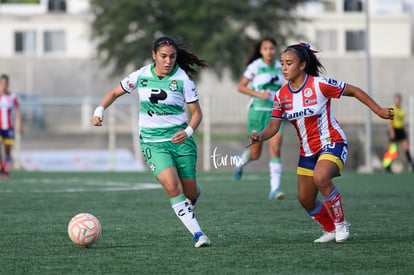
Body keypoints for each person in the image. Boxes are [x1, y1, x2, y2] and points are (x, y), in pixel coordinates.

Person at [248, 42, 394, 243]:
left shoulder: (319, 84)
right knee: (305, 199)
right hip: (307, 151)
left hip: (333, 141)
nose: (283, 68)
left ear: (302, 65)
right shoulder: (281, 95)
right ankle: (329, 229)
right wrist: (259, 136)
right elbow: (273, 127)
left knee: (321, 177)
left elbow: (354, 90)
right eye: (282, 63)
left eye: (289, 63)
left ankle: (341, 224)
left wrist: (379, 111)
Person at [92, 36, 211, 247]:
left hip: (180, 141)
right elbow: (114, 93)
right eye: (163, 56)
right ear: (154, 55)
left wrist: (189, 131)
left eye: (172, 57)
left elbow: (197, 114)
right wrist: (100, 109)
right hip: (153, 143)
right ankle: (199, 234)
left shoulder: (183, 80)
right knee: (173, 187)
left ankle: (193, 196)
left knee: (190, 192)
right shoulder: (141, 75)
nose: (168, 61)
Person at [233, 37, 285, 200]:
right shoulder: (255, 66)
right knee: (255, 153)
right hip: (257, 112)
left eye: (271, 48)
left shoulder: (280, 66)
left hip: (275, 114)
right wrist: (259, 94)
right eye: (265, 48)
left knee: (275, 148)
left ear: (275, 50)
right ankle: (240, 163)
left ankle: (274, 189)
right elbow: (241, 87)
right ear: (261, 51)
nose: (269, 51)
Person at [384, 93, 414, 172]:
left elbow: (402, 121)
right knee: (392, 150)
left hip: (401, 130)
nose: (398, 101)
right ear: (394, 100)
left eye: (399, 100)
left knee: (406, 148)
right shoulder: (391, 109)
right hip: (394, 130)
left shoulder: (402, 111)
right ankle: (387, 166)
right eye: (396, 100)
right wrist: (391, 131)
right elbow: (389, 122)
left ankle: (412, 164)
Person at [0, 74, 22, 179]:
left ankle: (6, 172)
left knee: (7, 151)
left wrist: (19, 124)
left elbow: (17, 110)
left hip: (8, 127)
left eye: (5, 83)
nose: (3, 85)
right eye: (2, 83)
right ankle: (1, 167)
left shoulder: (12, 96)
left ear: (7, 84)